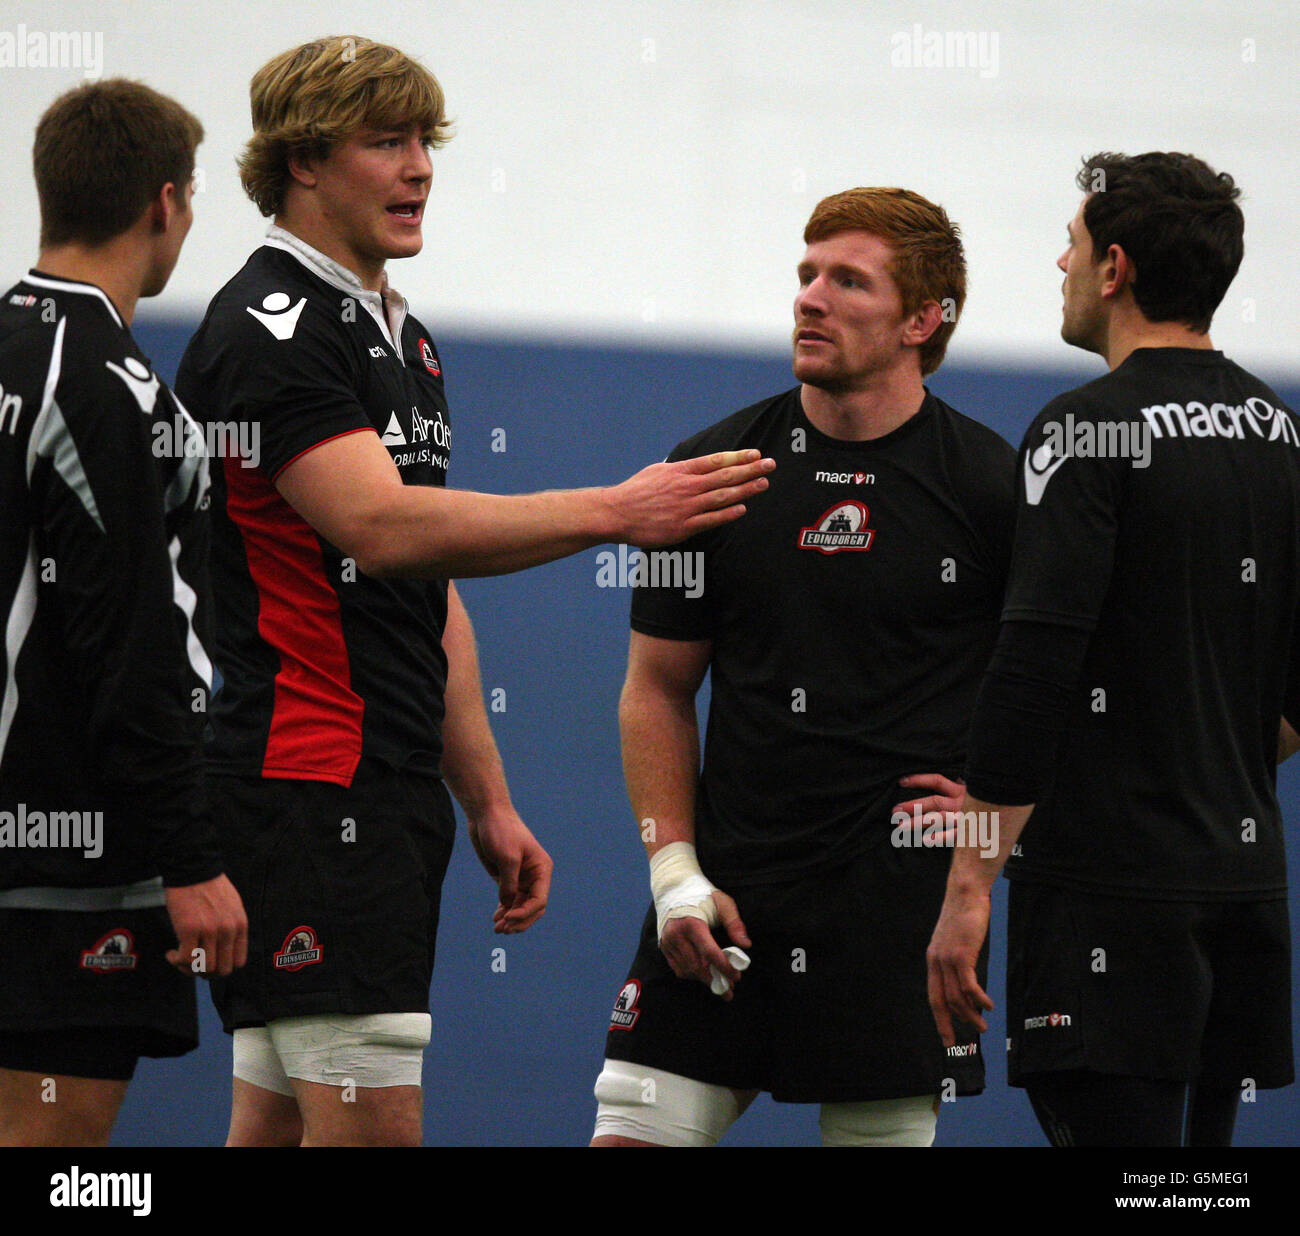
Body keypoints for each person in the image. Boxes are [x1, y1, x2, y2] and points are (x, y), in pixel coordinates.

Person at [174, 36, 773, 1148]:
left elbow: (426, 579)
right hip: (311, 780)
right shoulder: (270, 325)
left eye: (424, 143)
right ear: (302, 163)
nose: (419, 169)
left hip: (378, 788)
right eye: (384, 142)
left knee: (269, 1131)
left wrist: (485, 797)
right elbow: (383, 527)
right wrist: (614, 508)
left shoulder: (400, 335)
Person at [590, 187, 1017, 1147]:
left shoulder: (992, 488)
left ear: (921, 320)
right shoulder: (714, 468)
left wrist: (1001, 830)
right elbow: (656, 691)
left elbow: (1064, 693)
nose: (810, 298)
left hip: (894, 921)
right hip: (722, 904)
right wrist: (674, 876)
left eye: (848, 281)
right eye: (806, 274)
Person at [928, 152, 1299, 1147]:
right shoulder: (1279, 435)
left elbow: (1032, 674)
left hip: (1110, 904)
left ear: (1114, 268)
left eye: (1073, 243)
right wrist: (1192, 766)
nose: (1058, 259)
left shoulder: (1081, 433)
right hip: (1242, 895)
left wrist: (969, 885)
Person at [0, 80, 247, 1146]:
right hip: (69, 861)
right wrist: (187, 857)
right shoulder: (109, 387)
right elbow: (134, 642)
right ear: (166, 204)